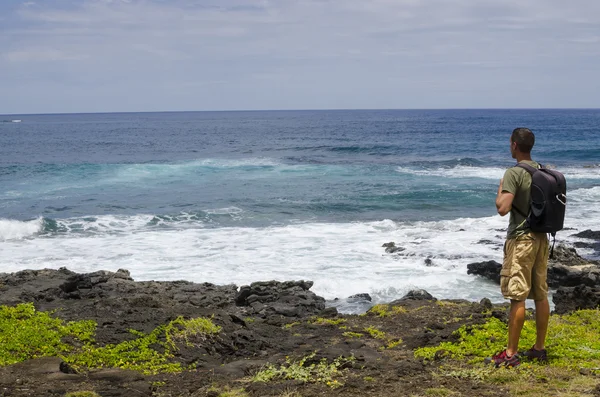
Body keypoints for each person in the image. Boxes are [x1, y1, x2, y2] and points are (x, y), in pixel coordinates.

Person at [489, 127, 550, 367]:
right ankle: (539, 349)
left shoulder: (513, 173)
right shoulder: (541, 170)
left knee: (517, 296)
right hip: (541, 239)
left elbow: (503, 209)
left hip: (522, 239)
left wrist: (500, 189)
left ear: (514, 145)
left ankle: (511, 353)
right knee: (541, 294)